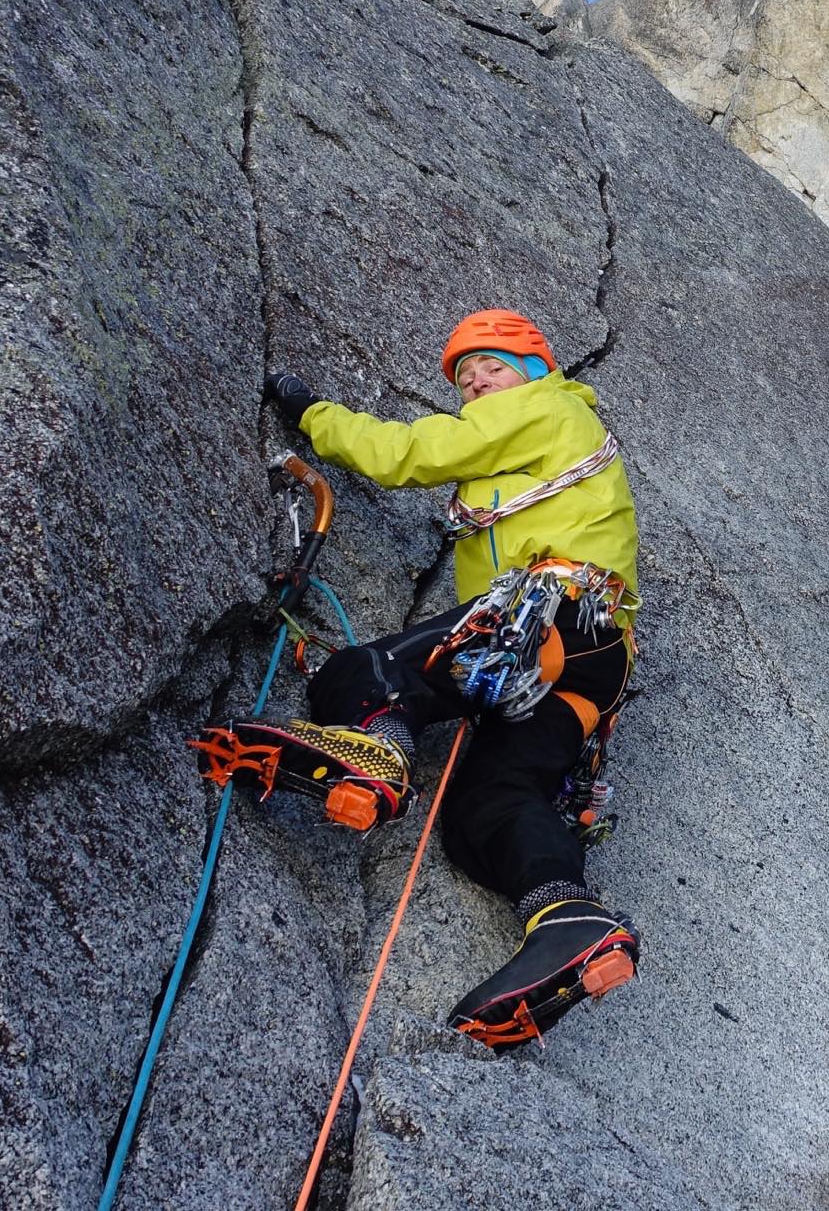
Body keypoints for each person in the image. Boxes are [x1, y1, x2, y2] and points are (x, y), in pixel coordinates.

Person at [247, 308, 642, 1047]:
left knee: (367, 671)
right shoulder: (537, 453)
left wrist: (310, 413)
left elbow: (410, 453)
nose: (476, 384)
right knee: (485, 811)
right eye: (465, 379)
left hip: (553, 615)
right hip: (592, 660)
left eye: (492, 366)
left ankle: (378, 753)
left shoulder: (547, 407)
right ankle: (569, 920)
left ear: (535, 368)